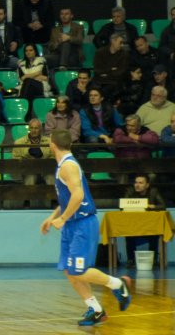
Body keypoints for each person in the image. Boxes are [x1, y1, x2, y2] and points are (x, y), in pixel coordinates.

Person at [41, 129, 132, 326]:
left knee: (78, 271)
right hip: (72, 224)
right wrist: (52, 217)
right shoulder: (63, 165)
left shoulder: (68, 166)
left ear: (52, 144)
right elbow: (68, 198)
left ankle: (118, 284)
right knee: (68, 269)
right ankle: (96, 309)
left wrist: (63, 218)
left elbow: (78, 196)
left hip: (82, 224)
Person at [122, 174, 167, 267]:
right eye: (136, 182)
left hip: (149, 225)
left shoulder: (154, 192)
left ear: (147, 185)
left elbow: (163, 206)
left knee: (155, 233)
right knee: (128, 235)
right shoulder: (130, 191)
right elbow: (122, 207)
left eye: (140, 183)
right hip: (133, 225)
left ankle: (153, 260)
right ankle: (131, 260)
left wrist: (152, 206)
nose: (137, 185)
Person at [12, 118, 53, 185]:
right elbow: (15, 159)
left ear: (40, 129)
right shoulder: (19, 142)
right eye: (31, 128)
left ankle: (52, 195)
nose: (33, 130)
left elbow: (53, 157)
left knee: (51, 179)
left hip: (46, 170)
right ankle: (29, 195)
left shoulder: (49, 141)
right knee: (31, 178)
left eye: (36, 128)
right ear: (29, 129)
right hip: (29, 170)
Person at [93, 34, 128, 100]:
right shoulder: (100, 52)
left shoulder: (124, 54)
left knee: (106, 91)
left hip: (114, 82)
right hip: (100, 81)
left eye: (123, 43)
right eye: (120, 42)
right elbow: (97, 70)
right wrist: (111, 69)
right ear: (113, 41)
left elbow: (121, 72)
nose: (122, 45)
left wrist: (106, 73)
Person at [17, 43, 51, 108]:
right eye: (26, 51)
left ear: (35, 51)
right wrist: (36, 74)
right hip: (27, 87)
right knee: (29, 84)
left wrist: (28, 76)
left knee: (28, 81)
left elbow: (45, 78)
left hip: (40, 86)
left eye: (30, 50)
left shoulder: (41, 62)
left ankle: (22, 103)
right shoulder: (21, 64)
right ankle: (28, 111)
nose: (28, 52)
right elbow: (22, 78)